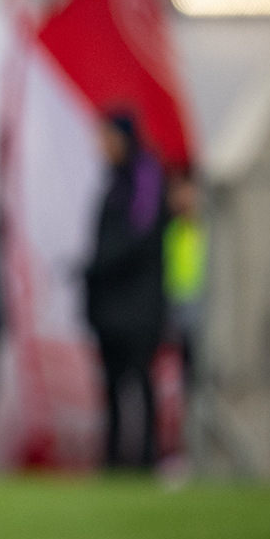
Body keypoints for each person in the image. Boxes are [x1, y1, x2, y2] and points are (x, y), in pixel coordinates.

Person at [85, 112, 168, 468]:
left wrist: (99, 263)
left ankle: (148, 457)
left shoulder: (146, 180)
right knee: (114, 386)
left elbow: (140, 239)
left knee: (139, 380)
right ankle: (115, 458)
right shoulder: (114, 183)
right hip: (110, 306)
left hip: (137, 306)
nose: (102, 147)